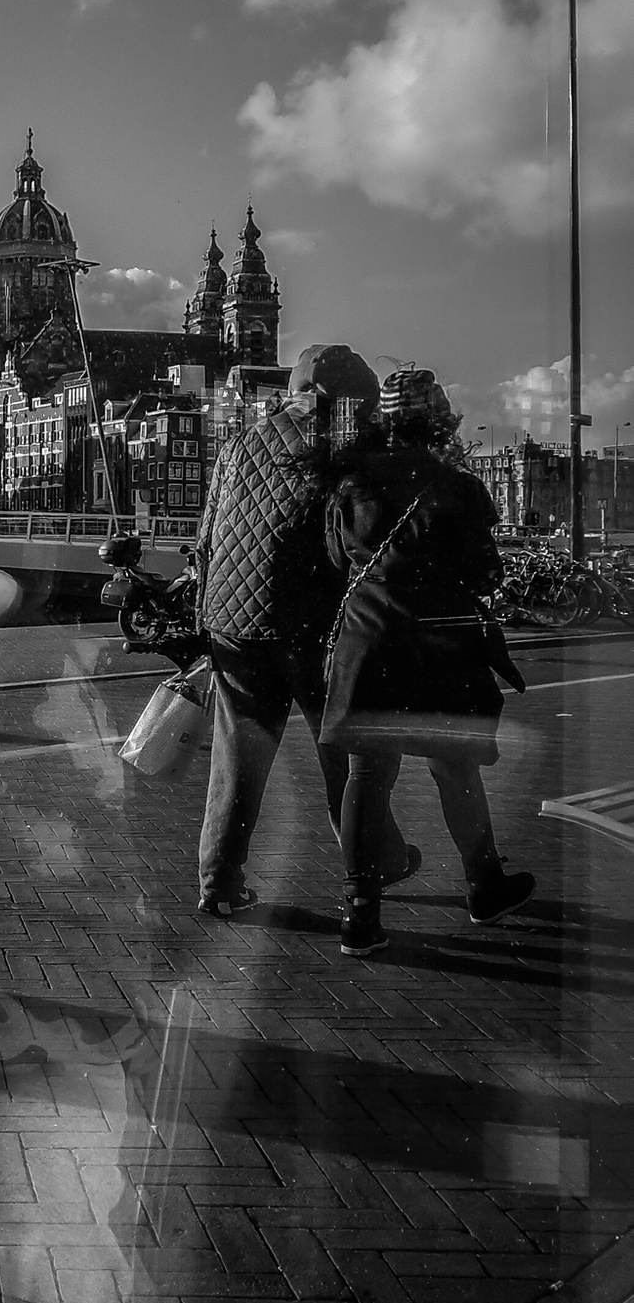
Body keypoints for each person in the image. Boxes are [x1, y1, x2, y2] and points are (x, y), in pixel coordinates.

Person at [194, 344, 417, 916]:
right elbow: (357, 548)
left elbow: (207, 534)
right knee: (348, 754)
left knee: (237, 759)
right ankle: (375, 864)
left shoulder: (242, 440)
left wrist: (209, 614)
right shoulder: (348, 448)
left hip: (232, 623)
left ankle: (219, 883)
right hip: (309, 627)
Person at [320, 367, 532, 958]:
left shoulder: (350, 483)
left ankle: (360, 914)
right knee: (454, 768)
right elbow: (483, 570)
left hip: (369, 641)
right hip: (438, 645)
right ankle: (484, 884)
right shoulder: (456, 486)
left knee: (369, 773)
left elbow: (338, 559)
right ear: (439, 420)